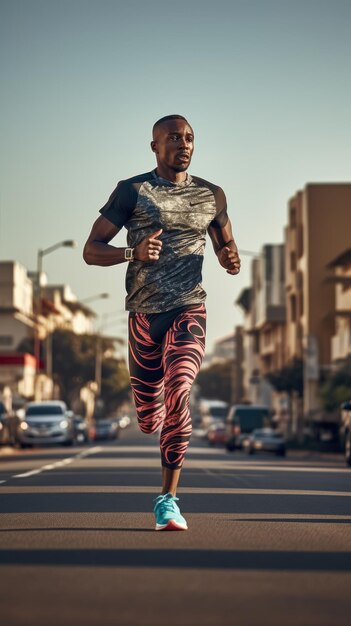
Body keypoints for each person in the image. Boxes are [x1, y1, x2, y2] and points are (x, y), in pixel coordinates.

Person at [83, 114, 241, 531]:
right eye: (174, 138)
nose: (184, 144)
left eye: (190, 138)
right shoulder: (132, 191)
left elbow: (227, 244)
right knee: (149, 417)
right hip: (143, 319)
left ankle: (167, 500)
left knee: (180, 390)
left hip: (190, 309)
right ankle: (150, 411)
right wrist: (132, 253)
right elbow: (90, 249)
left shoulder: (212, 194)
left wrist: (230, 258)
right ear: (155, 146)